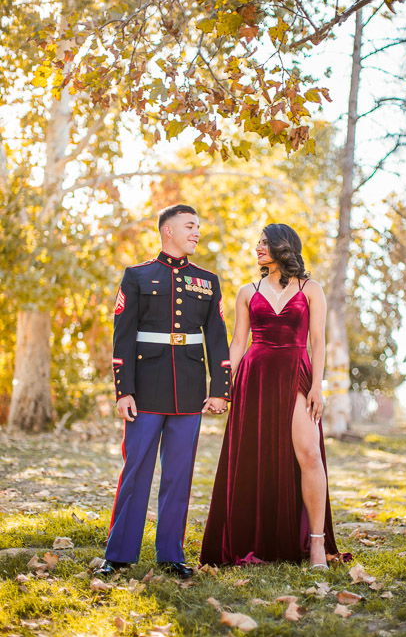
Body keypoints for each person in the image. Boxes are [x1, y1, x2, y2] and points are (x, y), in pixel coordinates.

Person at [200, 223, 350, 569]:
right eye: (258, 243)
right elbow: (238, 343)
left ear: (284, 247)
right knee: (256, 457)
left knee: (310, 453)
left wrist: (317, 385)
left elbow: (318, 341)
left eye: (265, 243)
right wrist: (222, 388)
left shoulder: (311, 288)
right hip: (255, 376)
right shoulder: (247, 291)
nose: (258, 248)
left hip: (296, 374)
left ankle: (315, 544)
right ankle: (258, 540)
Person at [95, 204, 231, 579]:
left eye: (199, 226)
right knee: (136, 470)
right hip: (145, 390)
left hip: (189, 391)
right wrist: (124, 392)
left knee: (179, 474)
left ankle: (171, 554)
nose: (197, 232)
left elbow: (217, 339)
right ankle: (119, 554)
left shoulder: (207, 280)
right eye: (190, 225)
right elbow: (122, 338)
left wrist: (220, 389)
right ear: (167, 230)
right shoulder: (137, 276)